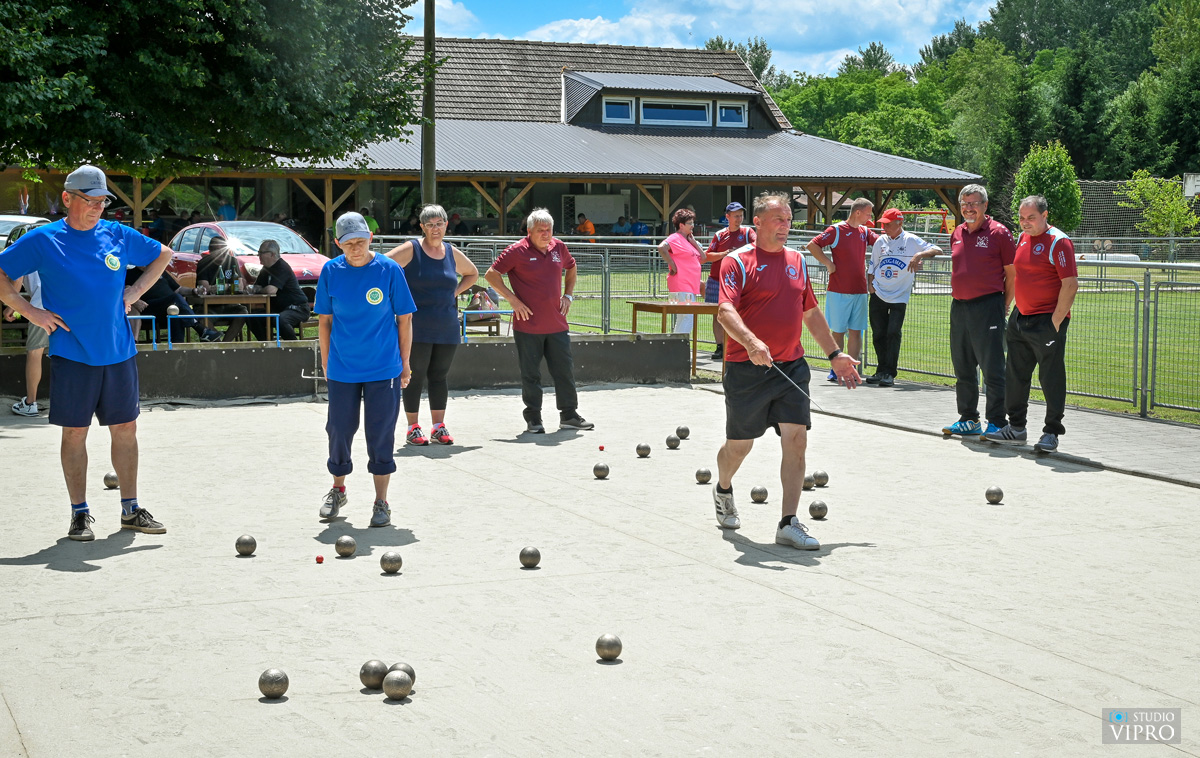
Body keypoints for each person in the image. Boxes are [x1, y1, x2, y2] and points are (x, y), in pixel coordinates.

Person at [0, 164, 174, 541]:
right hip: (72, 353)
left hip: (118, 350)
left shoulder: (117, 233)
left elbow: (163, 254)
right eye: (90, 200)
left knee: (125, 428)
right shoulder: (44, 239)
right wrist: (30, 311)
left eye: (102, 201)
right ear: (67, 198)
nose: (97, 207)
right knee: (75, 432)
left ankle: (131, 510)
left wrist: (135, 291)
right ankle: (79, 514)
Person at [713, 192, 860, 550]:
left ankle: (788, 522)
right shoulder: (737, 261)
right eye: (778, 219)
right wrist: (751, 342)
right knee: (739, 447)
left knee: (796, 439)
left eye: (789, 220)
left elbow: (810, 311)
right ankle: (723, 489)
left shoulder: (797, 260)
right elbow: (725, 311)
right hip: (746, 368)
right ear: (758, 222)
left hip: (791, 367)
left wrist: (835, 354)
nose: (785, 226)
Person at [316, 212, 416, 527]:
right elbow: (325, 321)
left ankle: (381, 501)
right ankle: (338, 489)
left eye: (361, 241)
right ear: (337, 243)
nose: (355, 248)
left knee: (381, 432)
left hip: (383, 367)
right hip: (343, 367)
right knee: (339, 429)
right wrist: (326, 363)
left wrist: (405, 363)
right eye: (348, 244)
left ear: (370, 238)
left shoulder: (389, 270)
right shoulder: (331, 271)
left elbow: (405, 319)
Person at [484, 208, 594, 433]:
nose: (546, 234)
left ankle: (569, 415)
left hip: (557, 324)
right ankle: (534, 418)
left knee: (564, 371)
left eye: (549, 230)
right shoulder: (516, 250)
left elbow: (572, 266)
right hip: (527, 325)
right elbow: (491, 275)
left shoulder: (559, 247)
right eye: (540, 230)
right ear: (529, 231)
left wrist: (568, 295)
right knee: (531, 374)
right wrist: (513, 301)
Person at [983, 196, 1078, 452]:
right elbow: (1018, 276)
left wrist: (1055, 322)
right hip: (1020, 317)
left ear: (1045, 215)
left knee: (1050, 377)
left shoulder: (1059, 241)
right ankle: (1016, 428)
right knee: (1015, 376)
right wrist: (1011, 308)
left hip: (1047, 320)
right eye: (1022, 218)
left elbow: (1070, 285)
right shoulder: (1023, 238)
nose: (1025, 223)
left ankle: (1051, 432)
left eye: (1031, 218)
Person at [386, 204, 479, 445]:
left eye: (439, 224)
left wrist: (455, 292)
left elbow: (473, 273)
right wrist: (396, 297)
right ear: (422, 227)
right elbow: (383, 266)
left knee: (439, 376)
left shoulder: (451, 252)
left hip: (446, 325)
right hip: (416, 326)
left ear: (446, 225)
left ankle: (438, 426)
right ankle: (413, 427)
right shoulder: (412, 249)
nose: (435, 228)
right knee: (414, 376)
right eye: (430, 224)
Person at [942, 184, 1016, 437]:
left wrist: (1004, 304)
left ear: (985, 205)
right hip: (959, 307)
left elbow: (1012, 274)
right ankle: (969, 419)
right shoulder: (957, 232)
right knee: (963, 366)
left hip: (988, 306)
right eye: (964, 204)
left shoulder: (999, 233)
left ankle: (997, 421)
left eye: (974, 203)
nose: (969, 208)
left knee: (992, 367)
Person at [865, 208, 942, 387]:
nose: (884, 227)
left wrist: (919, 254)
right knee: (878, 333)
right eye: (883, 224)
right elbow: (872, 264)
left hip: (900, 295)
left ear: (899, 223)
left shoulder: (911, 240)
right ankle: (880, 370)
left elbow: (937, 249)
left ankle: (890, 373)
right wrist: (870, 286)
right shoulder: (880, 241)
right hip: (878, 292)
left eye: (888, 224)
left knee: (893, 332)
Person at [806, 198, 878, 383]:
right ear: (858, 212)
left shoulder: (864, 231)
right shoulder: (837, 230)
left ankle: (851, 369)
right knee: (837, 331)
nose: (870, 218)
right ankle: (836, 369)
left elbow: (882, 243)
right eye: (868, 214)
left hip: (860, 290)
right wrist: (828, 263)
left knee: (856, 331)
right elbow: (812, 245)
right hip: (838, 290)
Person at [704, 202, 757, 360]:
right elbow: (707, 256)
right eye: (736, 216)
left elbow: (757, 248)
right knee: (717, 315)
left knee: (740, 314)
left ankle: (738, 347)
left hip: (738, 281)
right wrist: (725, 254)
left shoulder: (748, 232)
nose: (739, 219)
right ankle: (720, 347)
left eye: (741, 215)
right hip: (716, 280)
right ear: (727, 217)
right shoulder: (720, 235)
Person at [125, 266, 222, 343]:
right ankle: (201, 329)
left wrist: (193, 291)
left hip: (168, 308)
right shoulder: (129, 274)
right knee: (175, 300)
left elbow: (178, 289)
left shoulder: (158, 270)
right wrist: (135, 301)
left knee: (175, 312)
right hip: (148, 308)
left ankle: (177, 349)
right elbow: (122, 292)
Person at [243, 240, 311, 341]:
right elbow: (254, 287)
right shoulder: (265, 269)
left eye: (261, 253)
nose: (258, 256)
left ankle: (295, 346)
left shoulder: (282, 267)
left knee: (280, 320)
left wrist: (259, 289)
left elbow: (271, 290)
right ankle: (267, 344)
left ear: (272, 254)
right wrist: (256, 289)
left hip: (297, 308)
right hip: (277, 309)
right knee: (251, 317)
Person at [4, 272, 47, 416]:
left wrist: (11, 305)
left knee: (35, 352)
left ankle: (30, 403)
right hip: (68, 302)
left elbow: (18, 276)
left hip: (42, 305)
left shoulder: (19, 254)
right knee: (67, 352)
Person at [656, 208, 704, 335]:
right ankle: (680, 343)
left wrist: (694, 243)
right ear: (681, 225)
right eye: (690, 223)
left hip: (691, 285)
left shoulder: (688, 240)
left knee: (684, 317)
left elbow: (703, 257)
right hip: (682, 283)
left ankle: (676, 343)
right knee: (688, 317)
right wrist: (673, 266)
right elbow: (661, 247)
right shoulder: (675, 238)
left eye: (693, 223)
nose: (693, 226)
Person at [195, 237, 248, 341]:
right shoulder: (204, 263)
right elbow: (205, 288)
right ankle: (217, 343)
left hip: (229, 304)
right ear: (210, 252)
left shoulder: (232, 261)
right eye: (217, 249)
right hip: (208, 307)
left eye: (224, 249)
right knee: (202, 319)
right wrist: (231, 286)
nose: (222, 253)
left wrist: (225, 286)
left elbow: (240, 286)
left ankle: (225, 344)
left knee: (243, 312)